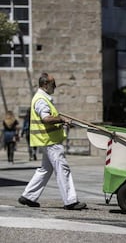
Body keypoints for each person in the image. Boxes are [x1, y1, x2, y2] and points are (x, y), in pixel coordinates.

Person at [18, 72, 87, 210]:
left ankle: (28, 196)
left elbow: (49, 118)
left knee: (45, 169)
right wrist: (61, 119)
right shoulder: (41, 100)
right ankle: (70, 201)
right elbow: (46, 119)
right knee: (62, 169)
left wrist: (61, 120)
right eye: (53, 84)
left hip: (47, 140)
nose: (55, 87)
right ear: (45, 85)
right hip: (51, 141)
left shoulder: (42, 98)